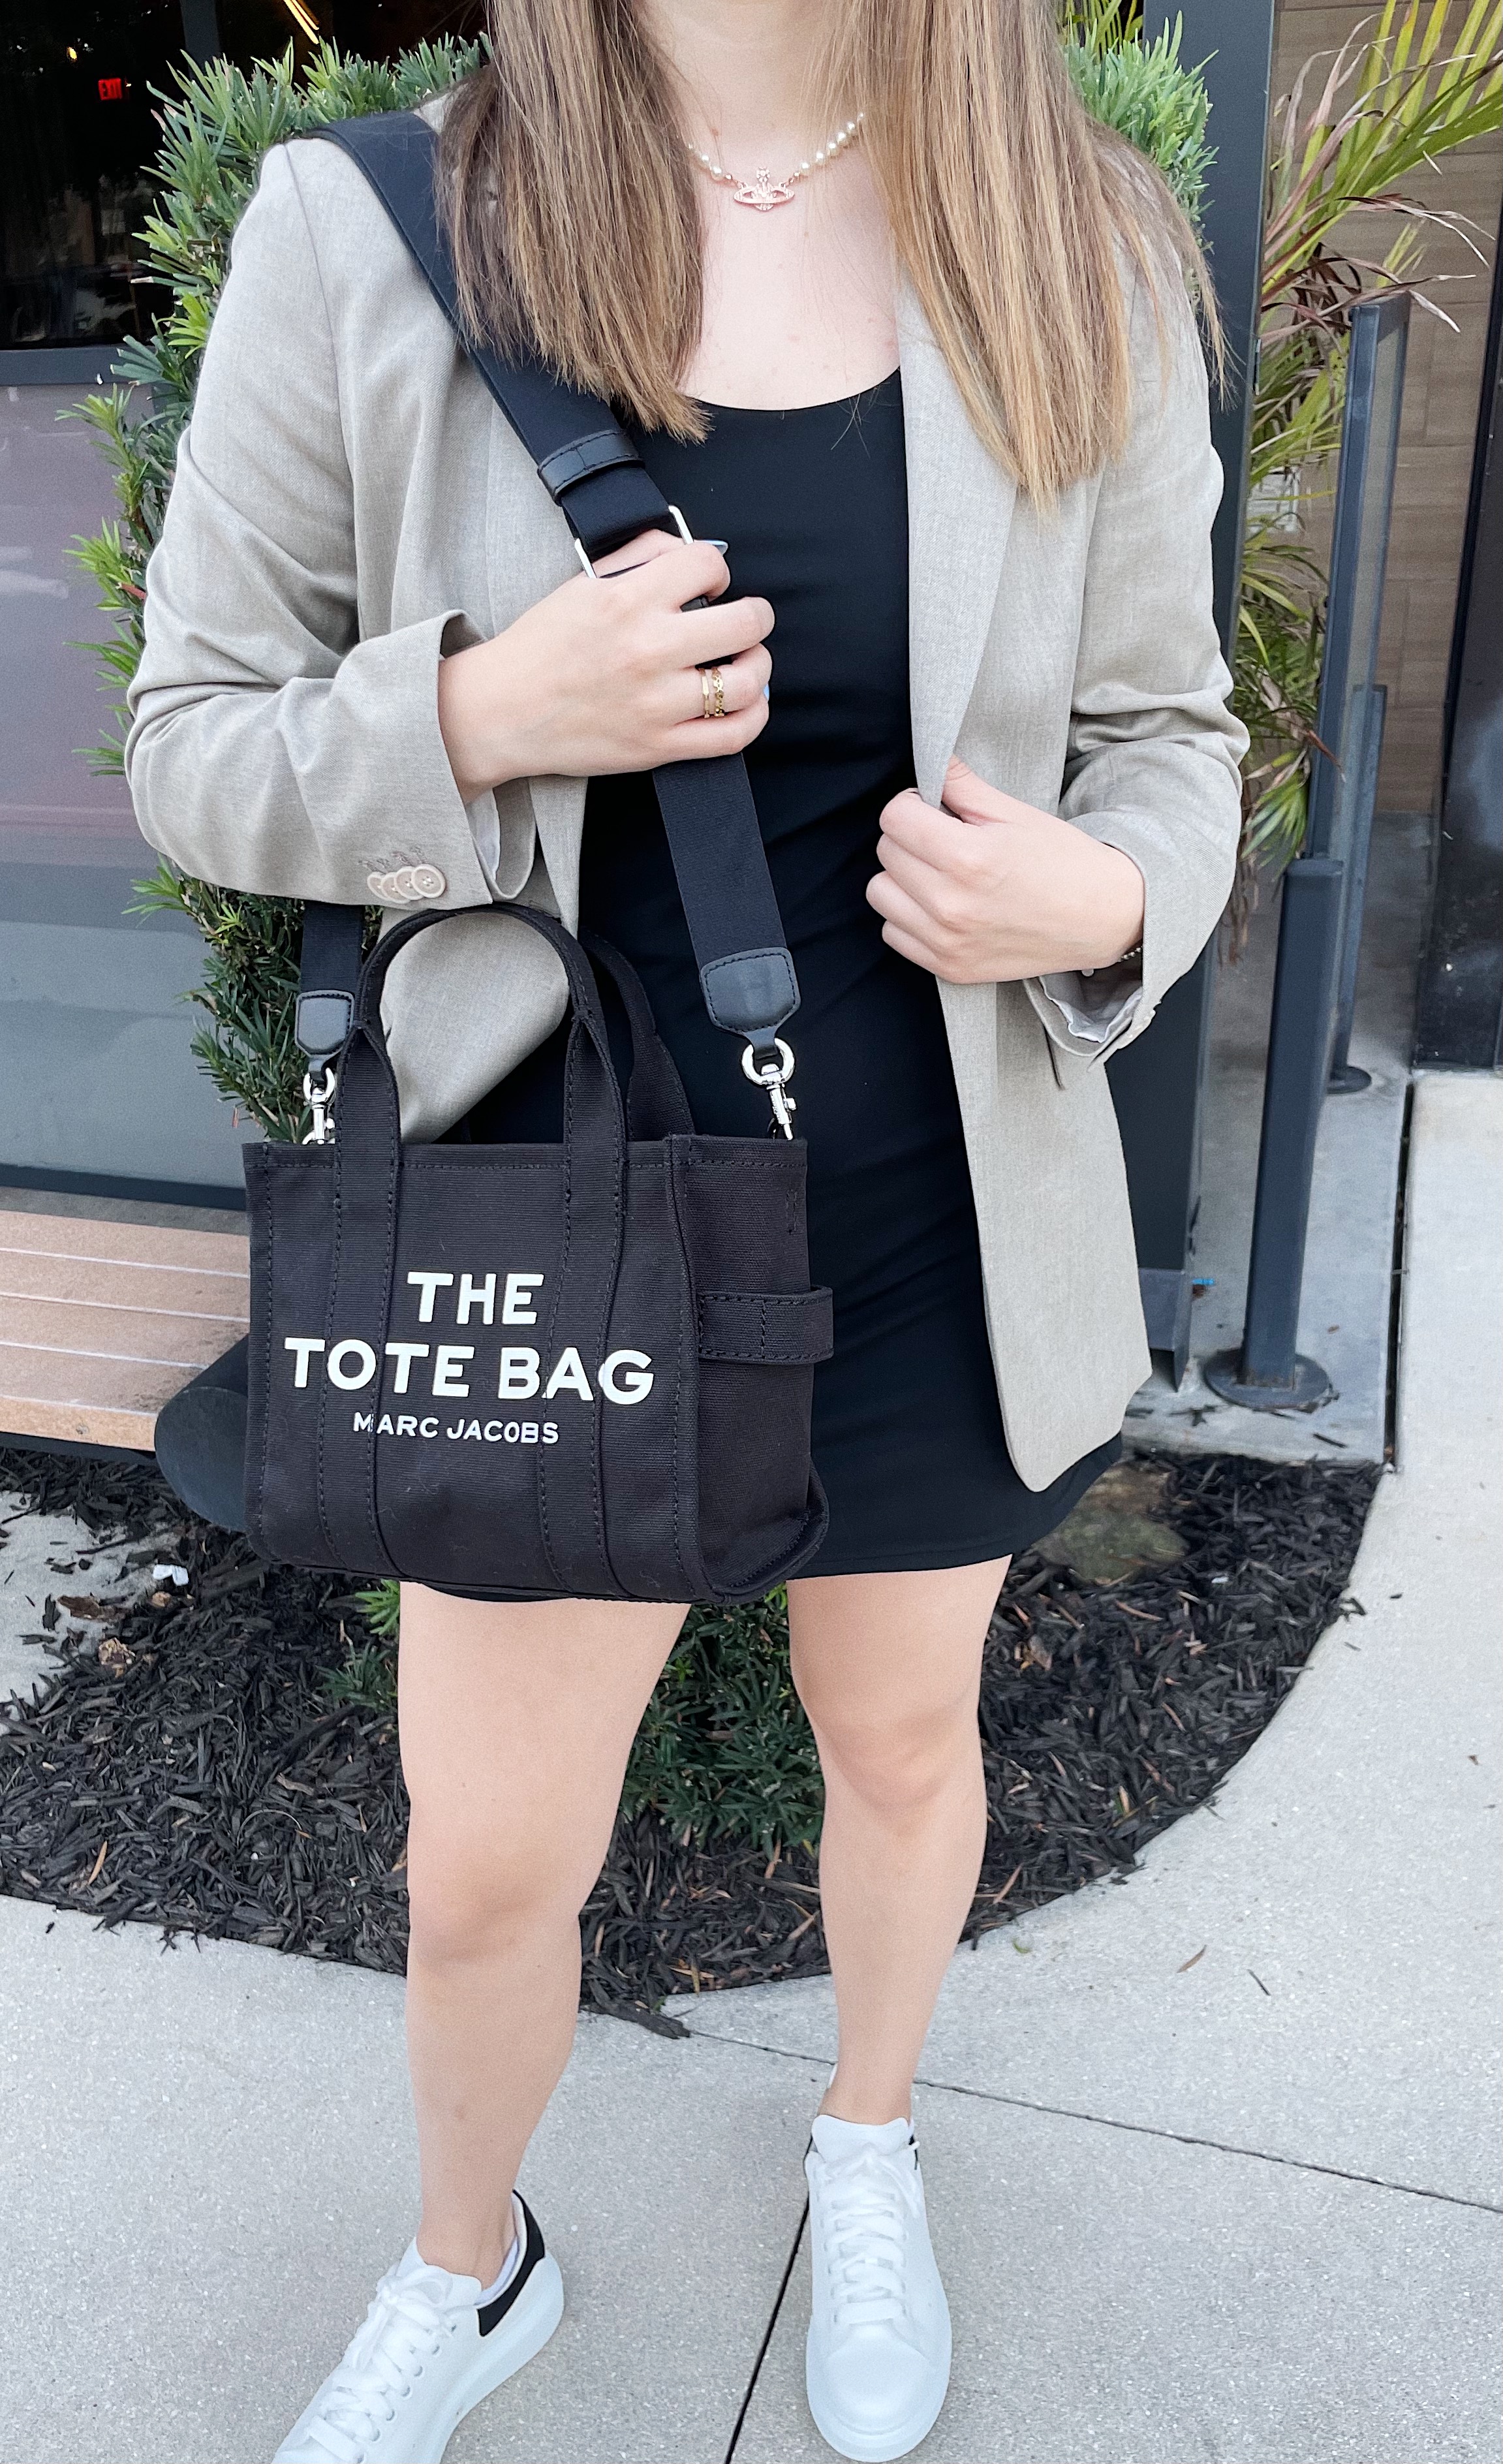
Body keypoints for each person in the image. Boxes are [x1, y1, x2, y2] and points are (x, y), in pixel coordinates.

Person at [125, 1, 1246, 2454]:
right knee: (486, 1871)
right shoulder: (381, 228)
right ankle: (473, 2265)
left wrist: (1101, 892)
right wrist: (481, 715)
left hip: (940, 1219)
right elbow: (191, 739)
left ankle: (868, 2142)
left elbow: (1174, 728)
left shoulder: (1081, 236)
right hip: (553, 1223)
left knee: (906, 1741)